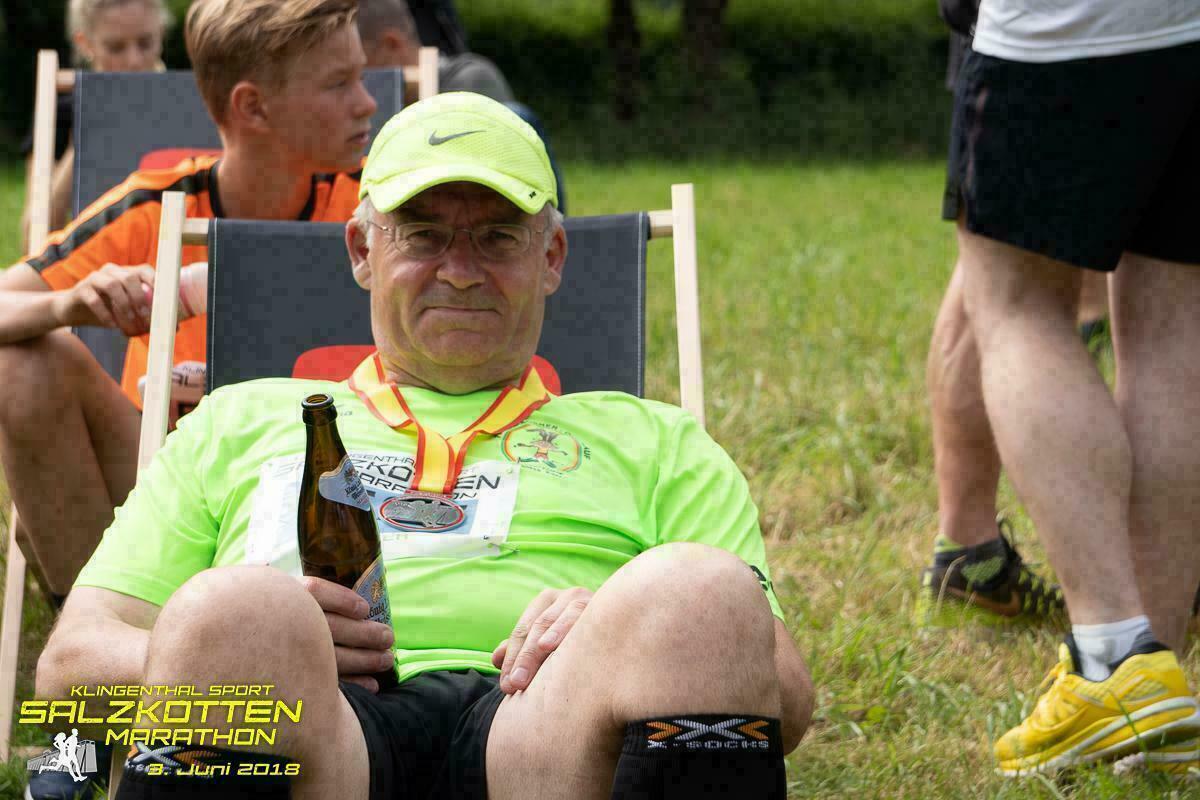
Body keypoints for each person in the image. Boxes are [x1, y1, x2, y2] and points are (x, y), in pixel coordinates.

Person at [35, 93, 813, 800]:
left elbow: (785, 692)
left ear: (551, 257)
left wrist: (620, 626)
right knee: (237, 611)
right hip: (316, 736)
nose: (461, 272)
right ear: (361, 250)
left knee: (699, 592)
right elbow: (69, 673)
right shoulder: (236, 419)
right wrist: (245, 646)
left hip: (551, 731)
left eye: (498, 238)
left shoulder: (656, 440)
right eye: (424, 235)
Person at [0, 0, 375, 605]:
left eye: (361, 77)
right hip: (164, 481)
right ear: (253, 107)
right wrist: (68, 304)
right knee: (20, 365)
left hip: (341, 484)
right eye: (339, 84)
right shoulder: (158, 206)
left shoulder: (381, 210)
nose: (368, 102)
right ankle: (97, 631)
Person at [944, 0, 1200, 775]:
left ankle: (1112, 658)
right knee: (1173, 327)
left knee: (1016, 305)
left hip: (1062, 26)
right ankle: (1157, 683)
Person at [919, 0, 1065, 626]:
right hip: (1047, 30)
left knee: (996, 275)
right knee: (1009, 280)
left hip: (1018, 27)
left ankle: (969, 554)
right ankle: (1150, 586)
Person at [356, 0, 568, 212]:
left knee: (517, 114)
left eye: (359, 67)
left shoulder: (471, 79)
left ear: (391, 44)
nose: (359, 83)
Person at [20, 0, 173, 248]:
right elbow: (33, 240)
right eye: (116, 48)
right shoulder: (64, 110)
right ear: (85, 44)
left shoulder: (189, 103)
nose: (134, 60)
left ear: (161, 33)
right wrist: (85, 136)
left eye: (145, 43)